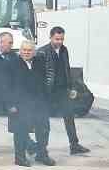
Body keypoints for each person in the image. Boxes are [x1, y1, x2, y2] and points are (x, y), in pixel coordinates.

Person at [35, 25, 89, 155]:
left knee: (69, 117)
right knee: (43, 121)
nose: (59, 42)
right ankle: (41, 149)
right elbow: (39, 75)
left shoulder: (64, 50)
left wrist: (71, 87)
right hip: (48, 92)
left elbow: (66, 69)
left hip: (63, 91)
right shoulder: (42, 52)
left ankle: (74, 145)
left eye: (61, 39)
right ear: (50, 37)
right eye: (57, 39)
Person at [9, 39, 55, 166]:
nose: (27, 52)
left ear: (34, 52)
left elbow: (44, 81)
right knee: (21, 131)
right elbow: (7, 85)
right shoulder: (12, 64)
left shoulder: (39, 62)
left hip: (39, 103)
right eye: (24, 50)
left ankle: (42, 155)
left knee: (43, 130)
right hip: (21, 104)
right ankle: (19, 158)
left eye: (29, 50)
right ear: (20, 51)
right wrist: (10, 104)